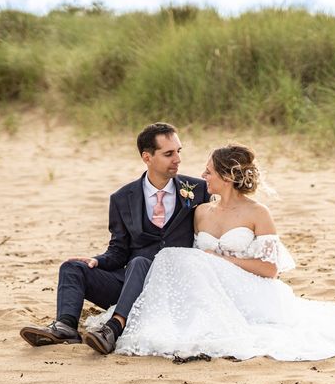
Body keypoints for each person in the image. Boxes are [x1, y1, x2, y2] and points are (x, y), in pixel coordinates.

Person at [87, 144, 335, 361]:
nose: (202, 176)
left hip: (250, 286)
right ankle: (128, 322)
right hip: (209, 287)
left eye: (208, 171)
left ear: (226, 177)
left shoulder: (258, 214)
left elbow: (270, 269)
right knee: (170, 260)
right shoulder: (201, 211)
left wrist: (221, 261)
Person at [19, 122, 210, 354]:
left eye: (178, 151)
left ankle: (112, 329)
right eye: (169, 153)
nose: (177, 159)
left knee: (139, 263)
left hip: (177, 283)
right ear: (147, 157)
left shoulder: (199, 190)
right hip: (132, 282)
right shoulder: (122, 198)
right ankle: (65, 327)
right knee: (72, 267)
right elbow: (119, 250)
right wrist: (97, 261)